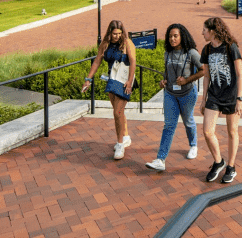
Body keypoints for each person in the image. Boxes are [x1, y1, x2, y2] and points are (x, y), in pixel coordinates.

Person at [146, 24, 203, 172]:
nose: (172, 39)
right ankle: (160, 159)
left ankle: (193, 145)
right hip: (170, 94)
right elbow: (167, 72)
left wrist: (187, 80)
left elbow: (203, 70)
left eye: (175, 36)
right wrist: (163, 81)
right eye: (170, 36)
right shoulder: (168, 53)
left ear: (182, 36)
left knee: (188, 120)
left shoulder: (191, 53)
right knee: (169, 125)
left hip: (187, 94)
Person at [82, 20, 136, 160]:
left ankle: (119, 144)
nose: (117, 36)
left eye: (119, 33)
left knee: (117, 112)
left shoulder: (127, 43)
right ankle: (126, 137)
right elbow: (97, 61)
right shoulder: (105, 44)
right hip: (112, 80)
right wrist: (88, 78)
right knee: (118, 111)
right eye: (114, 34)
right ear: (110, 33)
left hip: (124, 81)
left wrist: (130, 82)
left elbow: (133, 61)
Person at [199, 17, 242, 184]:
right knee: (207, 131)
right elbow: (206, 76)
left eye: (204, 29)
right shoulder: (207, 50)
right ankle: (219, 162)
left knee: (232, 131)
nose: (202, 32)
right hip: (214, 95)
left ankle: (231, 167)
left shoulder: (231, 47)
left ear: (213, 31)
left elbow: (240, 74)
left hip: (232, 95)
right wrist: (203, 99)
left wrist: (240, 98)